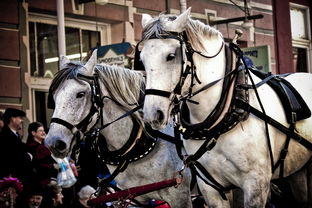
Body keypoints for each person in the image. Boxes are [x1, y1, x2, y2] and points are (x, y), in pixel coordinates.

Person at [0, 108, 33, 200]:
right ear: (13, 119)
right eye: (20, 118)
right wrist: (29, 156)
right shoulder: (6, 136)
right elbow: (17, 157)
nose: (22, 121)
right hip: (11, 180)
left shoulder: (15, 135)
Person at [26, 122, 58, 189]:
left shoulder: (38, 146)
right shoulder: (38, 148)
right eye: (40, 131)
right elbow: (40, 165)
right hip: (45, 181)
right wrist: (54, 166)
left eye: (43, 131)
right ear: (33, 133)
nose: (43, 133)